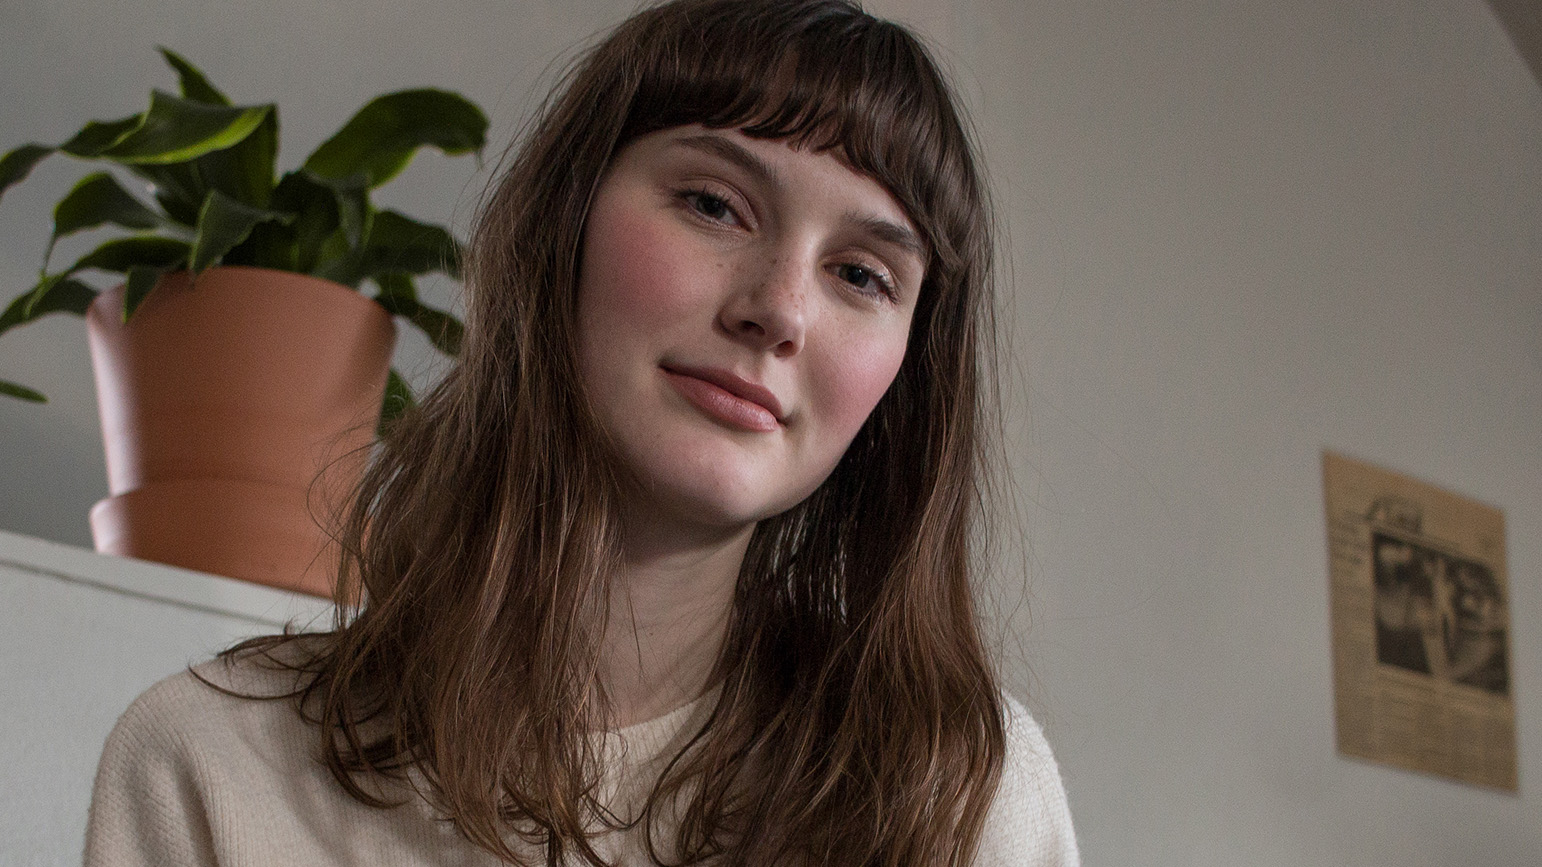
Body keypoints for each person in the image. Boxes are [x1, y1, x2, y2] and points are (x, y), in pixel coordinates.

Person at [83, 1, 1080, 864]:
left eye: (862, 274)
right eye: (713, 204)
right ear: (562, 225)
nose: (779, 309)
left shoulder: (965, 802)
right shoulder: (205, 766)